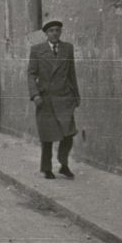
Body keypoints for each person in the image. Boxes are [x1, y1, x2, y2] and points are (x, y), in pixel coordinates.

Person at [27, 19, 81, 180]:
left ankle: (63, 165)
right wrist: (35, 94)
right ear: (46, 34)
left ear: (61, 32)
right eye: (51, 31)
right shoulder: (37, 50)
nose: (55, 33)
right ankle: (46, 168)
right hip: (46, 99)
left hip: (64, 97)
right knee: (48, 137)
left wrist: (76, 96)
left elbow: (72, 73)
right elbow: (31, 74)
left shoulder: (68, 48)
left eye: (57, 30)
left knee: (69, 134)